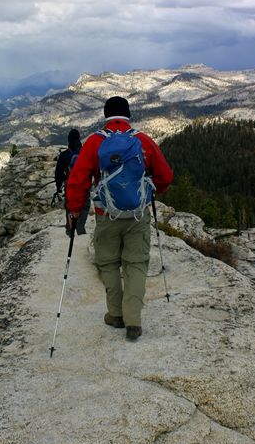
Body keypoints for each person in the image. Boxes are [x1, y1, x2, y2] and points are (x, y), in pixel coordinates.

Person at [65, 96, 173, 341]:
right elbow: (165, 176)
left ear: (105, 116)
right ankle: (133, 320)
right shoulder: (142, 140)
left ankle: (115, 315)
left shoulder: (94, 142)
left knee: (109, 263)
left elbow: (78, 180)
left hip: (106, 215)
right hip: (137, 214)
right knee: (136, 263)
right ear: (128, 115)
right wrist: (150, 189)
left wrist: (74, 211)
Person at [54, 128, 89, 236]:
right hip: (84, 187)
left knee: (70, 208)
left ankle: (70, 230)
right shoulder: (85, 153)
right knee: (84, 207)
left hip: (70, 187)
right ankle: (81, 229)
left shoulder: (64, 155)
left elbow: (58, 173)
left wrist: (59, 187)